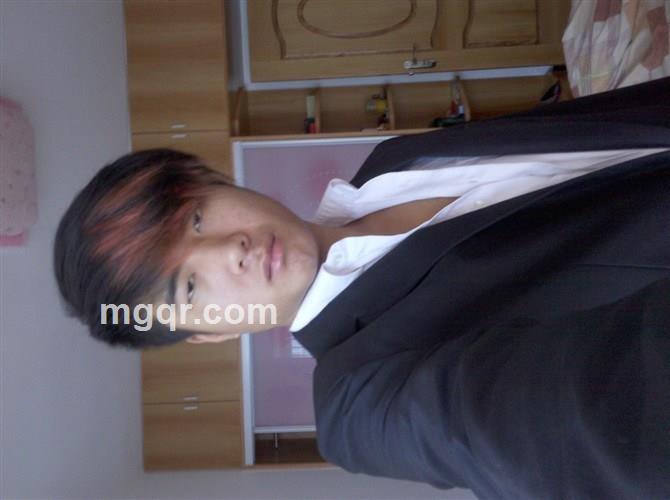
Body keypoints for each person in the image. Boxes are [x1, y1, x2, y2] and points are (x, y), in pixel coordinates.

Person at [53, 77, 670, 498]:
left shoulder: (390, 163)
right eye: (188, 288)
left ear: (210, 180)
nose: (228, 250)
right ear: (208, 332)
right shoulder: (362, 406)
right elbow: (592, 431)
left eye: (194, 219)